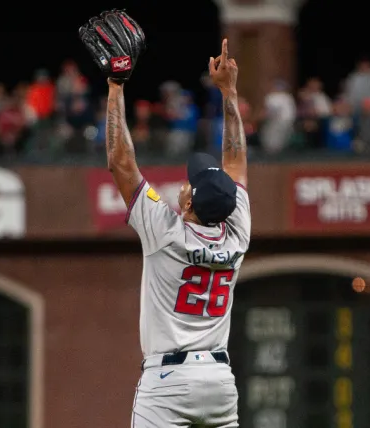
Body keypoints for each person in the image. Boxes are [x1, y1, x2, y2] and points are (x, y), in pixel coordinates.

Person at [105, 38, 249, 427]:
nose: (185, 184)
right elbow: (235, 162)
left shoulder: (166, 233)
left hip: (168, 380)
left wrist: (116, 87)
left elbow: (121, 162)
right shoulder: (237, 233)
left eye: (189, 184)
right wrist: (230, 93)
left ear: (188, 204)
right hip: (220, 381)